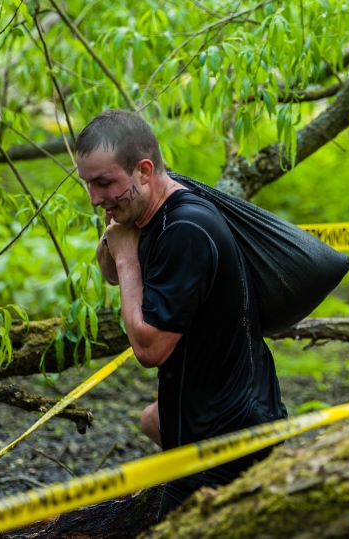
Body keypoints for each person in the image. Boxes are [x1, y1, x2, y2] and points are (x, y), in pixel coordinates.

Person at [75, 110, 286, 518]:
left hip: (225, 437)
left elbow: (149, 349)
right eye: (88, 184)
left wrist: (126, 257)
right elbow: (112, 273)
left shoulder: (185, 230)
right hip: (207, 423)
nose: (95, 199)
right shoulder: (149, 209)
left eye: (103, 183)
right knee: (152, 419)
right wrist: (116, 236)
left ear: (144, 171)